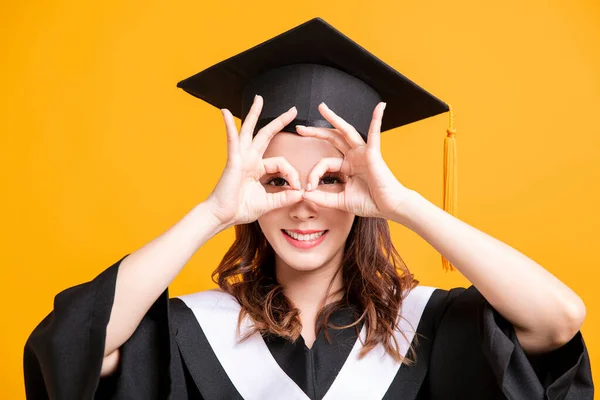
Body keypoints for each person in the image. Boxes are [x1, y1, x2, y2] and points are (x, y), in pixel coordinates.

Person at [23, 18, 593, 400]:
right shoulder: (189, 334)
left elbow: (559, 318)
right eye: (276, 179)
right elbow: (70, 347)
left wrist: (404, 206)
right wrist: (213, 212)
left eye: (332, 180)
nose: (303, 205)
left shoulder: (430, 330)